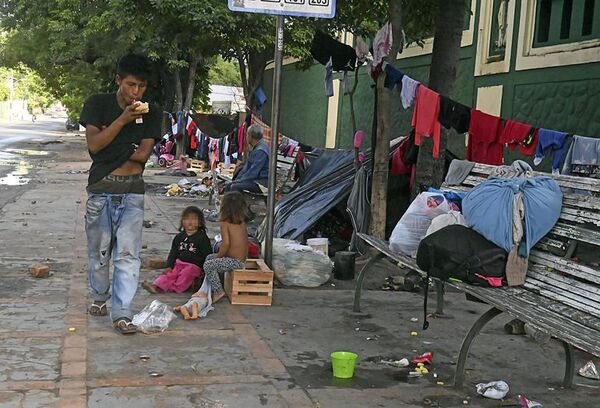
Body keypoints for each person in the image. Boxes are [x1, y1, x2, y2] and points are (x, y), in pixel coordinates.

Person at [79, 53, 162, 334]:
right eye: (130, 85)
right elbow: (94, 147)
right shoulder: (97, 104)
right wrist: (123, 123)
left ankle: (122, 313)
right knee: (99, 255)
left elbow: (142, 155)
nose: (135, 92)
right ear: (118, 80)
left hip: (133, 193)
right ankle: (100, 297)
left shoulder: (153, 112)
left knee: (127, 256)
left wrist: (110, 143)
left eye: (141, 86)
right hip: (101, 191)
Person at [193, 192, 248, 303]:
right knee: (209, 258)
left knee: (208, 265)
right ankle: (206, 289)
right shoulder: (242, 223)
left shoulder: (225, 223)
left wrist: (218, 256)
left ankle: (218, 291)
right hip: (240, 260)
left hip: (235, 262)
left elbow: (226, 244)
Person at [142, 206, 211, 294]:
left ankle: (172, 287)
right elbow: (173, 253)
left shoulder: (202, 238)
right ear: (182, 222)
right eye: (186, 219)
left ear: (200, 223)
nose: (189, 221)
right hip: (179, 264)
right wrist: (169, 266)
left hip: (194, 266)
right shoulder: (179, 237)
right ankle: (155, 286)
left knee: (186, 274)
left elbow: (207, 255)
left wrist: (204, 271)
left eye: (193, 219)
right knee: (169, 275)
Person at [225, 124, 270, 193]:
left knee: (234, 187)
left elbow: (253, 173)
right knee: (229, 185)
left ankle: (236, 203)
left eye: (247, 135)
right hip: (255, 179)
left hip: (261, 183)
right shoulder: (257, 147)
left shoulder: (260, 151)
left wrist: (239, 181)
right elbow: (248, 168)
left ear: (250, 136)